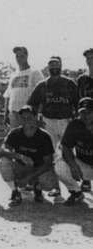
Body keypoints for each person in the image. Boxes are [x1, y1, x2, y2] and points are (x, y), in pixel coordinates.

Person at [27, 56, 78, 197]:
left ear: (61, 66)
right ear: (48, 67)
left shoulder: (70, 83)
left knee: (69, 153)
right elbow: (31, 104)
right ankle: (56, 187)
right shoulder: (42, 85)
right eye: (51, 64)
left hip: (66, 121)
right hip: (48, 122)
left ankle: (80, 183)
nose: (54, 67)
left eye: (57, 64)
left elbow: (78, 104)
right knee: (49, 154)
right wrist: (35, 120)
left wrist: (75, 120)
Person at [0, 105, 57, 206]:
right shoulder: (15, 132)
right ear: (20, 120)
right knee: (3, 162)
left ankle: (37, 188)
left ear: (35, 117)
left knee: (50, 182)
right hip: (21, 168)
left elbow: (47, 164)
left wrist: (27, 178)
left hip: (38, 170)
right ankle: (15, 191)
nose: (26, 120)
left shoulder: (44, 136)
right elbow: (3, 150)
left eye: (29, 117)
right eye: (23, 117)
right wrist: (19, 156)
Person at [54, 97, 93, 206]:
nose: (86, 115)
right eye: (83, 112)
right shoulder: (74, 125)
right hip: (84, 165)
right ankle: (76, 193)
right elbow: (66, 148)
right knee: (59, 165)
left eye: (90, 112)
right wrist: (73, 165)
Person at [3, 47, 44, 129]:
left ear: (26, 56)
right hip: (13, 115)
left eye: (21, 56)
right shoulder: (13, 75)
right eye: (17, 56)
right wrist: (6, 115)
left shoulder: (35, 72)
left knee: (28, 140)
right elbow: (8, 97)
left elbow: (41, 95)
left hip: (28, 115)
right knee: (15, 140)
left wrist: (37, 114)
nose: (19, 59)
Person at [77, 48, 93, 191]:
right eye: (88, 58)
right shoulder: (82, 79)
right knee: (86, 148)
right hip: (86, 118)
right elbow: (78, 99)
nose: (90, 61)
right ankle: (87, 179)